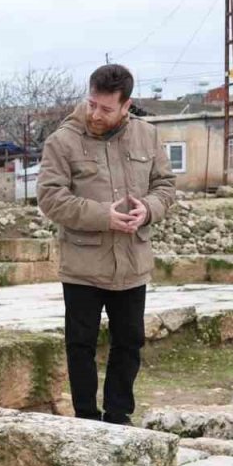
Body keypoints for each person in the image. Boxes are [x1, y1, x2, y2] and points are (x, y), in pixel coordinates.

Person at [37, 64, 176, 426]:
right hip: (83, 264)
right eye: (92, 104)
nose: (96, 114)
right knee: (80, 345)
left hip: (132, 263)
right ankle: (84, 418)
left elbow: (166, 187)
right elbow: (50, 199)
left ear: (126, 105)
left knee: (129, 343)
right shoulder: (62, 141)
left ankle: (118, 418)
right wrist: (103, 215)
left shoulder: (148, 136)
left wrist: (148, 209)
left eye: (106, 108)